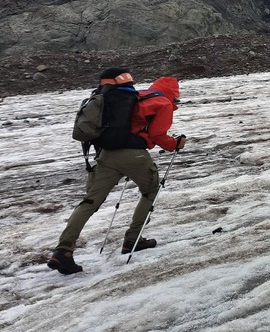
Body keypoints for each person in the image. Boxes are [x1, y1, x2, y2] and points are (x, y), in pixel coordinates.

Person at [48, 70, 186, 275]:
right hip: (134, 156)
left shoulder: (134, 97)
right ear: (172, 93)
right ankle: (133, 240)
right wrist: (175, 143)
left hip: (107, 154)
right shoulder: (163, 104)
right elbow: (157, 134)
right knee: (150, 192)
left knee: (90, 201)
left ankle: (63, 251)